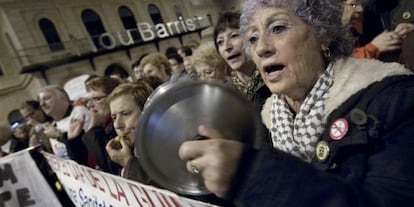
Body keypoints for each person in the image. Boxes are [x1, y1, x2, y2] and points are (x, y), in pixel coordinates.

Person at [178, 0, 414, 206]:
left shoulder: (394, 99)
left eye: (278, 28)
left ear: (323, 34)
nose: (261, 48)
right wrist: (210, 180)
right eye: (252, 38)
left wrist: (250, 175)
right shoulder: (263, 120)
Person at [214, 11, 271, 112]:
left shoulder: (274, 78)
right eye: (220, 42)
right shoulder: (223, 94)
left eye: (234, 36)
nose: (227, 47)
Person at [69, 76, 121, 174]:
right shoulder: (101, 125)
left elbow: (107, 166)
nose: (90, 105)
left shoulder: (119, 126)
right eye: (89, 100)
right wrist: (73, 141)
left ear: (114, 97)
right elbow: (83, 168)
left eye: (97, 99)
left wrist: (93, 130)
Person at [105, 81, 154, 183]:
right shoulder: (131, 150)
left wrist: (128, 163)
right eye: (114, 117)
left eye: (125, 114)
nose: (117, 125)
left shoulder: (168, 148)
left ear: (147, 112)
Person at [39, 85, 92, 166]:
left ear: (62, 97)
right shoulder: (52, 125)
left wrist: (58, 136)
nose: (42, 104)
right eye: (40, 101)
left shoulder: (80, 113)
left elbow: (86, 147)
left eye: (46, 98)